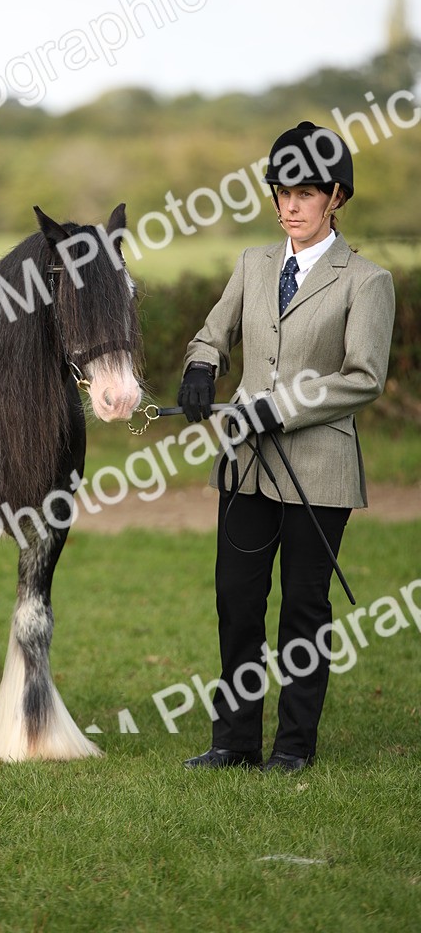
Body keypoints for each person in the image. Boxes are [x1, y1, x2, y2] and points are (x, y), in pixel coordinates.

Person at [178, 121, 395, 772]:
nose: (289, 206)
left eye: (304, 193)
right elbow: (213, 334)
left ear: (336, 196)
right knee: (237, 602)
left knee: (303, 608)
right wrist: (200, 366)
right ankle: (234, 742)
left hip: (319, 472)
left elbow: (364, 378)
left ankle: (294, 747)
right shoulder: (254, 264)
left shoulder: (367, 280)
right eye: (281, 191)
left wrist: (282, 407)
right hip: (244, 467)